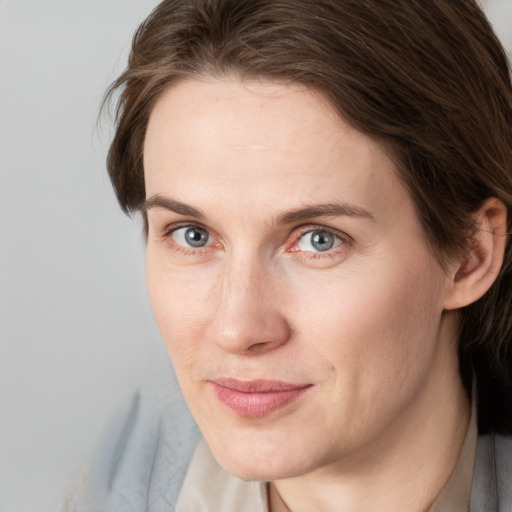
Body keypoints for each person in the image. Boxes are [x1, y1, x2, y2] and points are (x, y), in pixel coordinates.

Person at [64, 0, 512, 510]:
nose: (237, 329)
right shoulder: (121, 484)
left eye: (319, 239)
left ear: (470, 254)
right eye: (192, 234)